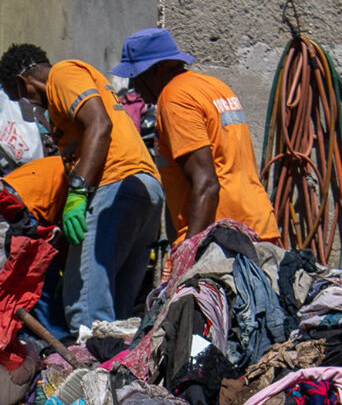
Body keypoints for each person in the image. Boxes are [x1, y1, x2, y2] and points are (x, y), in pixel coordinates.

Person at [0, 44, 164, 333]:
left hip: (116, 185)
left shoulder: (62, 75)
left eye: (19, 98)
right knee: (117, 316)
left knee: (87, 310)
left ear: (24, 82)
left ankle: (90, 360)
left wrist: (78, 192)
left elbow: (100, 124)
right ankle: (116, 359)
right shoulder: (64, 108)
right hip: (143, 189)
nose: (29, 108)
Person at [111, 28, 281, 244]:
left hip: (222, 238)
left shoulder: (175, 98)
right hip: (255, 223)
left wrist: (190, 250)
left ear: (157, 69)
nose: (133, 87)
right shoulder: (212, 86)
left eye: (135, 76)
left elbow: (207, 183)